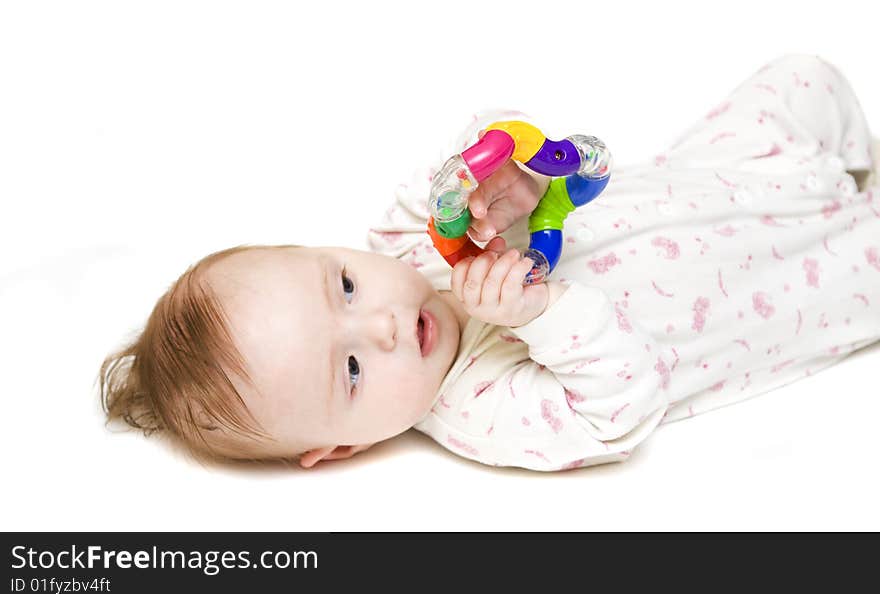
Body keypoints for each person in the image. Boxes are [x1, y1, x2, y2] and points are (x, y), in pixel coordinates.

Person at [100, 54, 880, 471]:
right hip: (786, 283)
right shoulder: (484, 412)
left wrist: (496, 178)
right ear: (342, 449)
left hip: (725, 174)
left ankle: (855, 165)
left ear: (328, 249)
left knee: (803, 78)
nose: (380, 324)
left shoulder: (408, 242)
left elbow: (477, 142)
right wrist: (541, 316)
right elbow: (623, 409)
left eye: (340, 286)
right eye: (351, 373)